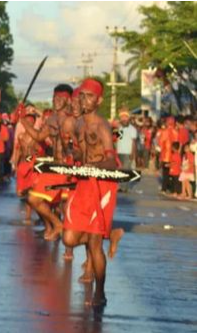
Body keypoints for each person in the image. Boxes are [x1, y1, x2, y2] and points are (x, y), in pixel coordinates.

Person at [62, 78, 120, 308]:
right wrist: (70, 154)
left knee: (95, 244)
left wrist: (96, 167)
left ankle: (100, 293)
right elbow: (78, 153)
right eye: (82, 95)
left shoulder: (102, 126)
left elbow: (111, 161)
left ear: (99, 100)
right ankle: (108, 233)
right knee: (68, 237)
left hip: (102, 185)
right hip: (84, 183)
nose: (84, 99)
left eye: (89, 96)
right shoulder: (78, 125)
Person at [21, 84, 75, 241]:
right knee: (34, 199)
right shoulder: (52, 118)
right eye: (54, 97)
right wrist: (22, 120)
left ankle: (64, 240)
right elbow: (38, 136)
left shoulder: (74, 119)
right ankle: (56, 225)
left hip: (68, 167)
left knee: (65, 206)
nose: (55, 101)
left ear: (68, 99)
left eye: (60, 98)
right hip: (56, 166)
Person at [115, 108, 137, 192]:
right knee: (120, 170)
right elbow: (117, 140)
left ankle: (125, 187)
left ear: (129, 118)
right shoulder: (119, 128)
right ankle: (120, 186)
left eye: (125, 117)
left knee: (126, 169)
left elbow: (134, 142)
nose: (124, 119)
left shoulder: (132, 129)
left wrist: (133, 153)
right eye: (122, 117)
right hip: (119, 152)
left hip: (128, 153)